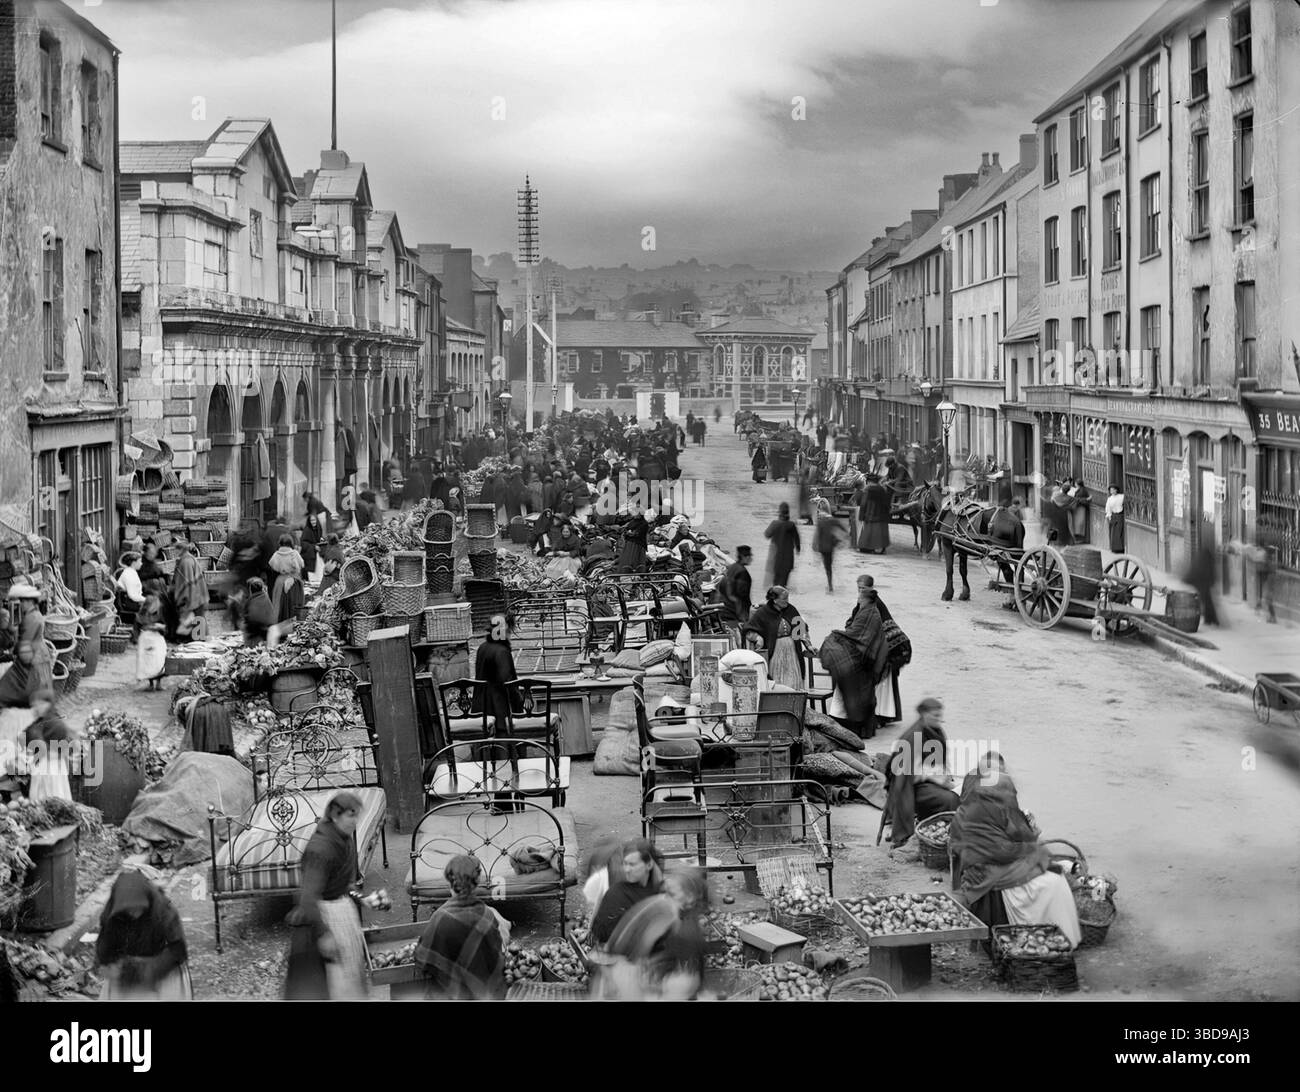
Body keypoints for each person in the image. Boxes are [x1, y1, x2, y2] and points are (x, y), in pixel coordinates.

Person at [949, 753, 1082, 946]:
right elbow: (1003, 850)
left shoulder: (980, 805)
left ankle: (1053, 938)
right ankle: (1044, 937)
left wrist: (1030, 835)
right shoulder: (986, 807)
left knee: (1054, 876)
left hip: (996, 867)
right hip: (991, 875)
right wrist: (1031, 843)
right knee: (1053, 882)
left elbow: (1014, 839)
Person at [284, 791, 368, 1000]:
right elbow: (308, 897)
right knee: (329, 980)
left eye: (356, 815)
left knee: (350, 973)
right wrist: (325, 934)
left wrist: (363, 899)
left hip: (340, 910)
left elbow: (342, 883)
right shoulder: (320, 850)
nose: (355, 821)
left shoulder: (344, 839)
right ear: (335, 816)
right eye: (350, 815)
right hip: (322, 917)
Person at [414, 855, 508, 1000]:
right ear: (476, 883)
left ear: (450, 884)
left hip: (450, 993)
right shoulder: (487, 914)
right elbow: (496, 955)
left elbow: (424, 959)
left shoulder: (440, 917)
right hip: (487, 993)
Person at [96, 871, 193, 1000]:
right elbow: (104, 949)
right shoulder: (113, 916)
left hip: (161, 968)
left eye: (138, 908)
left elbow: (178, 950)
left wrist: (150, 970)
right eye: (129, 909)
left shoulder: (163, 911)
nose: (134, 913)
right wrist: (109, 965)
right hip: (127, 972)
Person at [886, 698, 961, 850]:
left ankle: (940, 829)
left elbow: (941, 760)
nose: (938, 719)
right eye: (935, 716)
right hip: (911, 786)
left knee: (961, 791)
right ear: (923, 714)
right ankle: (940, 835)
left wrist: (946, 777)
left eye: (940, 716)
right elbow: (906, 774)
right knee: (949, 799)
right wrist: (934, 777)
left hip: (929, 779)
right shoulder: (913, 736)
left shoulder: (935, 730)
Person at [823, 577, 889, 740]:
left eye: (860, 596)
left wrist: (841, 635)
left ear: (866, 600)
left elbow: (863, 636)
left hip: (864, 660)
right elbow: (854, 628)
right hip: (861, 659)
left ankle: (858, 730)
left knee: (861, 695)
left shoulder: (872, 613)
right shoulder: (864, 610)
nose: (858, 598)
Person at [591, 839, 665, 947]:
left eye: (632, 864)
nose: (626, 869)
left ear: (649, 865)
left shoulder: (662, 893)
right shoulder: (616, 894)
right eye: (624, 864)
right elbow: (600, 934)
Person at [853, 575, 902, 726]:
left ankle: (880, 716)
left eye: (863, 588)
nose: (860, 591)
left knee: (880, 686)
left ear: (871, 588)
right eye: (859, 588)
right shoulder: (863, 601)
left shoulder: (876, 604)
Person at [743, 586, 805, 691]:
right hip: (775, 651)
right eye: (784, 599)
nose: (787, 601)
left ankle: (795, 700)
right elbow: (748, 630)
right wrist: (758, 637)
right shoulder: (763, 613)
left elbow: (800, 629)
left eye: (787, 598)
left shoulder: (791, 610)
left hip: (792, 652)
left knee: (793, 678)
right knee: (778, 678)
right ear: (775, 600)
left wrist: (808, 644)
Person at [0, 585, 53, 708]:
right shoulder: (35, 614)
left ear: (29, 601)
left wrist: (15, 652)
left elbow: (25, 641)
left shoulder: (31, 618)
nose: (21, 604)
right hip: (39, 655)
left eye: (23, 601)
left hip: (34, 657)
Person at [24, 689, 72, 803]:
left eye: (39, 704)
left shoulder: (53, 722)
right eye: (34, 705)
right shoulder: (41, 720)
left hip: (50, 764)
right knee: (45, 793)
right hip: (45, 762)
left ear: (48, 704)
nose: (36, 707)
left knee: (50, 794)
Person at [473, 612, 518, 735]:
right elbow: (507, 682)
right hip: (498, 711)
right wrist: (519, 702)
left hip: (480, 708)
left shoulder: (482, 648)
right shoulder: (502, 652)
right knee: (502, 748)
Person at [168, 542, 208, 641]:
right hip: (199, 594)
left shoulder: (185, 562)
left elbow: (187, 582)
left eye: (175, 549)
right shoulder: (189, 558)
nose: (174, 552)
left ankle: (196, 641)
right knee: (198, 617)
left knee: (193, 618)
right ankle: (198, 639)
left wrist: (183, 599)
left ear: (180, 550)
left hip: (193, 595)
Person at [718, 545, 754, 643]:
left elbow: (723, 586)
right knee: (739, 639)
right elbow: (741, 596)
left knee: (731, 637)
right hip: (736, 612)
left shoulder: (732, 568)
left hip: (726, 609)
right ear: (744, 557)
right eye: (749, 556)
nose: (751, 558)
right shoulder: (742, 572)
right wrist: (744, 616)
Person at [1184, 536, 1222, 627]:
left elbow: (1206, 571)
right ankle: (1210, 619)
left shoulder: (1204, 556)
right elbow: (1209, 572)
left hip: (1201, 580)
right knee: (1207, 600)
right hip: (1201, 580)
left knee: (1206, 600)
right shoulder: (1207, 557)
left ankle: (1210, 619)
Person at [269, 533, 305, 624]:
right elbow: (302, 564)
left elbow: (272, 565)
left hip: (280, 581)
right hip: (294, 580)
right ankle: (295, 623)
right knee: (294, 603)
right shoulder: (295, 553)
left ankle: (281, 623)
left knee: (280, 604)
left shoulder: (276, 555)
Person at [764, 502, 801, 588]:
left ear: (779, 512)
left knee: (776, 577)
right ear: (788, 512)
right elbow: (797, 539)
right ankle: (783, 588)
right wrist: (798, 548)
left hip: (776, 556)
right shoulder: (791, 525)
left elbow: (767, 534)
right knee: (785, 577)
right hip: (788, 555)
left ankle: (776, 590)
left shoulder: (774, 524)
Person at [811, 497, 845, 593]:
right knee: (829, 565)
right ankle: (830, 584)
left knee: (827, 565)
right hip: (830, 547)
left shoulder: (820, 522)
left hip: (822, 547)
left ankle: (830, 584)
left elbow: (817, 535)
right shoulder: (832, 520)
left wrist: (814, 546)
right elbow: (843, 528)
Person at [855, 472, 892, 554]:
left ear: (869, 481)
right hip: (881, 516)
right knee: (880, 532)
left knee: (869, 532)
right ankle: (881, 548)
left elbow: (863, 504)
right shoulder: (882, 489)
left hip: (870, 515)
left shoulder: (867, 490)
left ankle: (868, 547)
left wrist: (861, 516)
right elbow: (887, 503)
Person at [136, 594, 167, 691]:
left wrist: (161, 627)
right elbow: (137, 628)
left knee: (159, 661)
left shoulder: (159, 614)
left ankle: (158, 683)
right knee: (148, 662)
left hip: (157, 639)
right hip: (146, 640)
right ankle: (151, 683)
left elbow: (165, 628)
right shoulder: (140, 616)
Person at [241, 577, 276, 644]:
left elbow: (246, 618)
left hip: (254, 633)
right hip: (268, 631)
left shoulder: (250, 601)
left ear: (250, 589)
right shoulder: (266, 598)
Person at [301, 507, 325, 578]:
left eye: (314, 520)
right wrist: (314, 547)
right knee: (312, 574)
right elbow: (303, 543)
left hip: (318, 554)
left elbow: (319, 537)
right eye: (311, 520)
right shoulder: (307, 530)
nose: (313, 522)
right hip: (311, 555)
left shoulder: (318, 528)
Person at [1105, 483, 1126, 553]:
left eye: (1113, 489)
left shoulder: (1121, 496)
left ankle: (1121, 548)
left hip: (1120, 516)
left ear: (1116, 490)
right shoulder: (1109, 499)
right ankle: (1115, 548)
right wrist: (1109, 516)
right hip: (1113, 516)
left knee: (1120, 532)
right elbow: (1108, 509)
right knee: (1114, 533)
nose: (1112, 491)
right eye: (1111, 490)